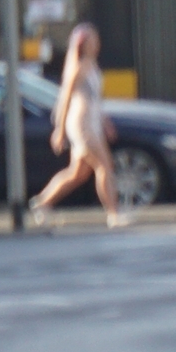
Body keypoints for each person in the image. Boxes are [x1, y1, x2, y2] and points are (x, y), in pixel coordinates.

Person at [27, 23, 123, 228]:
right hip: (81, 123)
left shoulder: (91, 65)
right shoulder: (79, 66)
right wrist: (60, 130)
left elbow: (96, 98)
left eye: (96, 40)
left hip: (92, 121)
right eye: (92, 40)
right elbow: (66, 97)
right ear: (82, 44)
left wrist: (105, 122)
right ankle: (113, 214)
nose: (96, 44)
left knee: (78, 173)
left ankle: (41, 203)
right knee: (104, 165)